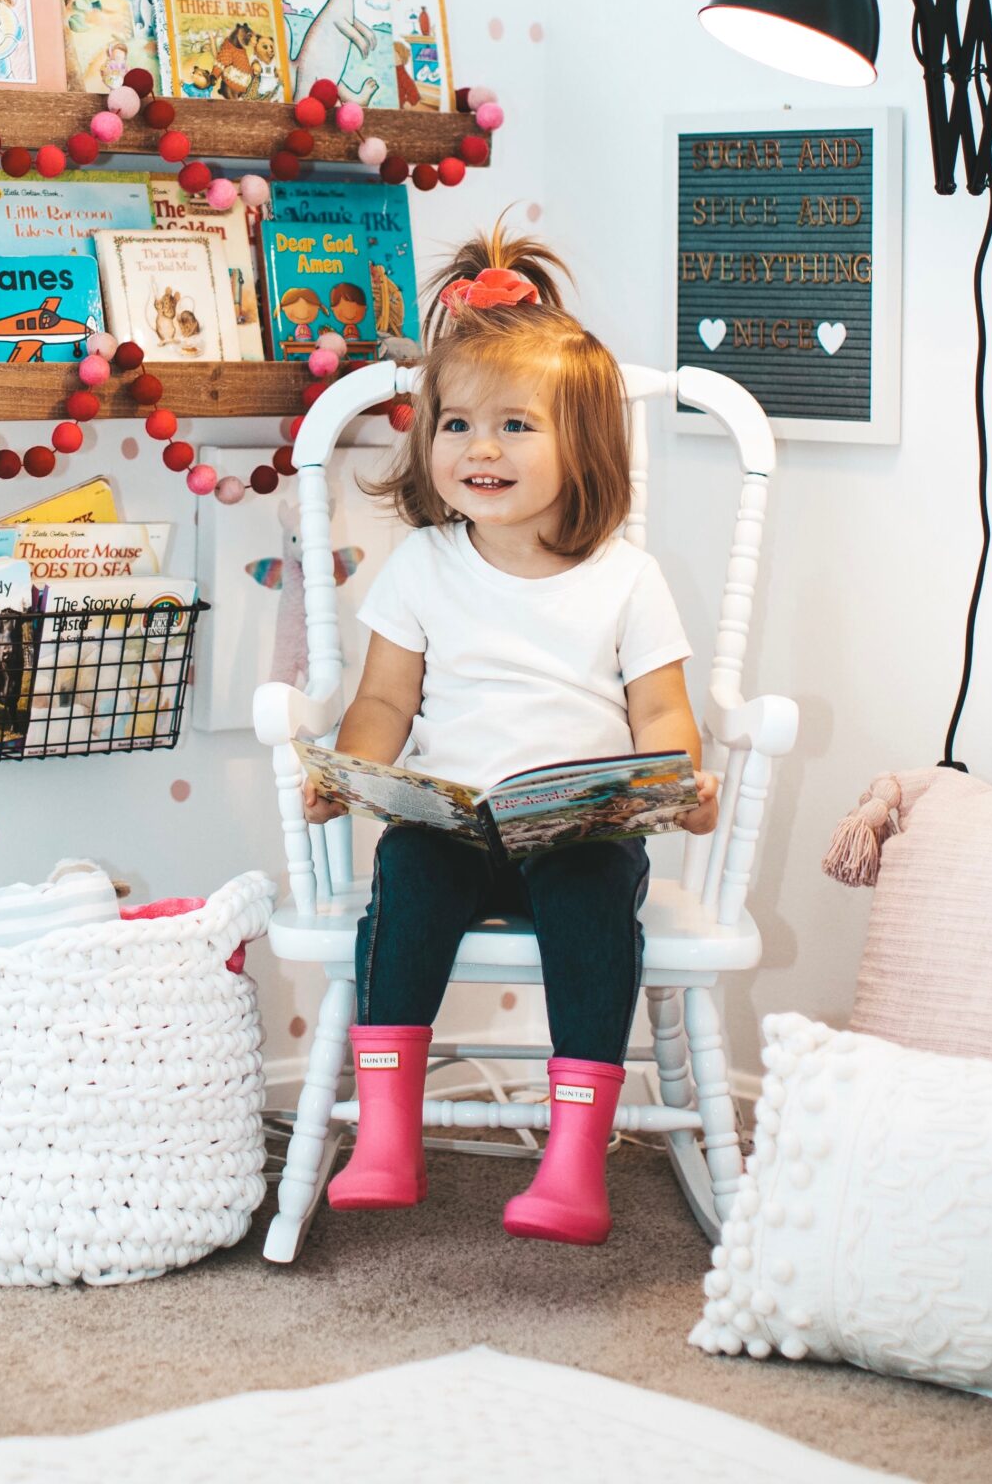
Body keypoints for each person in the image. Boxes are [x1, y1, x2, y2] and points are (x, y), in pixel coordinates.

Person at [303, 221, 718, 1246]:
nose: (480, 450)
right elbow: (386, 702)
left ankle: (577, 1162)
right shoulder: (424, 569)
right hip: (455, 824)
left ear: (583, 450)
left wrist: (684, 783)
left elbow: (663, 713)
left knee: (592, 920)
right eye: (456, 426)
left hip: (577, 831)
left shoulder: (627, 578)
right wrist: (352, 775)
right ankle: (388, 1137)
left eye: (515, 428)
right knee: (406, 891)